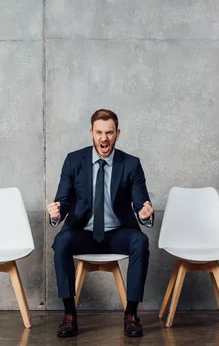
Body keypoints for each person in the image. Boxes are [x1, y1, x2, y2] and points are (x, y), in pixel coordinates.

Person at [47, 109, 154, 338]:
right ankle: (69, 315)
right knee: (61, 241)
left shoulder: (131, 164)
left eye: (109, 132)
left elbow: (140, 203)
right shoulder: (74, 160)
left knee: (140, 241)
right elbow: (63, 202)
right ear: (91, 133)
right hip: (83, 233)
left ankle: (131, 315)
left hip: (118, 233)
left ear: (117, 134)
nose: (104, 138)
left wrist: (145, 214)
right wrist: (56, 213)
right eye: (99, 132)